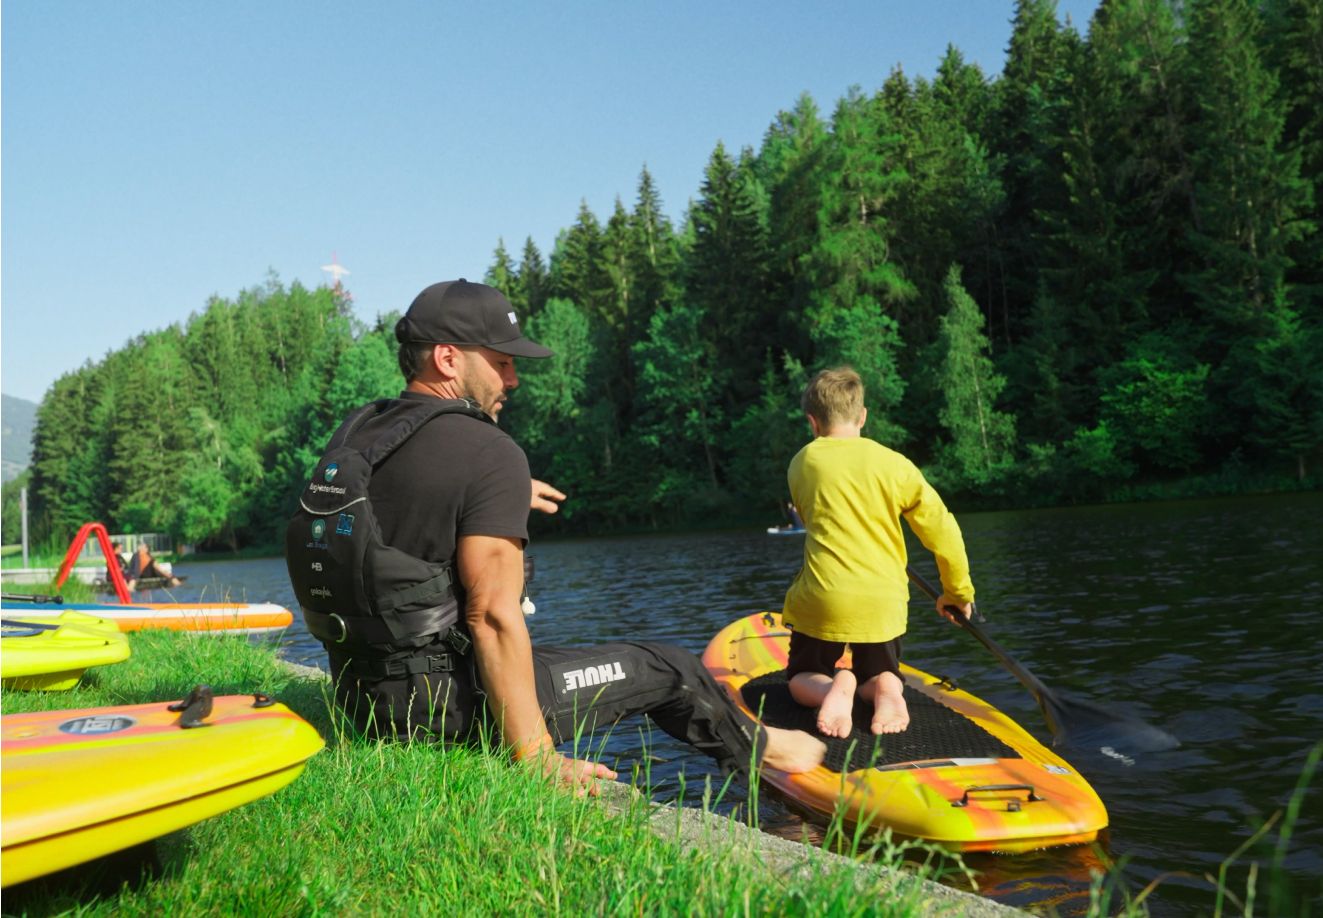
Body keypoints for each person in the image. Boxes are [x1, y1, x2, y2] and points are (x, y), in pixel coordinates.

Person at [295, 279, 824, 793]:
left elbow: (405, 515)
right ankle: (771, 754)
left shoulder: (361, 433)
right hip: (444, 710)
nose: (513, 379)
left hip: (361, 700)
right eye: (502, 362)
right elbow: (493, 617)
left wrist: (499, 495)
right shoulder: (487, 450)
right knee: (671, 669)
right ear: (449, 358)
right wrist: (538, 757)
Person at [782, 367, 975, 738]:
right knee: (881, 671)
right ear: (863, 415)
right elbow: (942, 529)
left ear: (812, 422)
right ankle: (887, 687)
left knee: (800, 678)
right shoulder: (896, 465)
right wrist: (957, 593)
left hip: (824, 597)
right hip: (883, 602)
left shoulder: (802, 463)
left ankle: (831, 687)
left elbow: (810, 517)